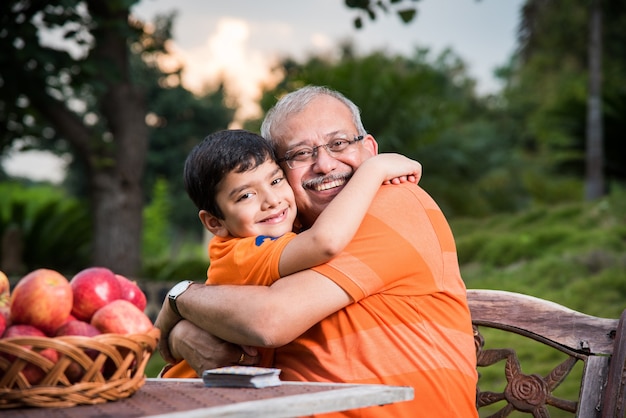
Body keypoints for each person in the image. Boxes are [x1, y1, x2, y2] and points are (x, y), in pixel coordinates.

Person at [155, 86, 478, 417]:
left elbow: (269, 319)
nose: (324, 165)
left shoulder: (392, 202)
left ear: (370, 149)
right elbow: (233, 318)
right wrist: (182, 333)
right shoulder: (280, 236)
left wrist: (178, 300)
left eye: (338, 144)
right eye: (300, 154)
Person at [161, 128, 421, 375]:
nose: (272, 200)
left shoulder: (267, 236)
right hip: (197, 391)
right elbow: (325, 242)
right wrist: (373, 170)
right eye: (245, 196)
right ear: (215, 223)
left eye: (276, 180)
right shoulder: (245, 251)